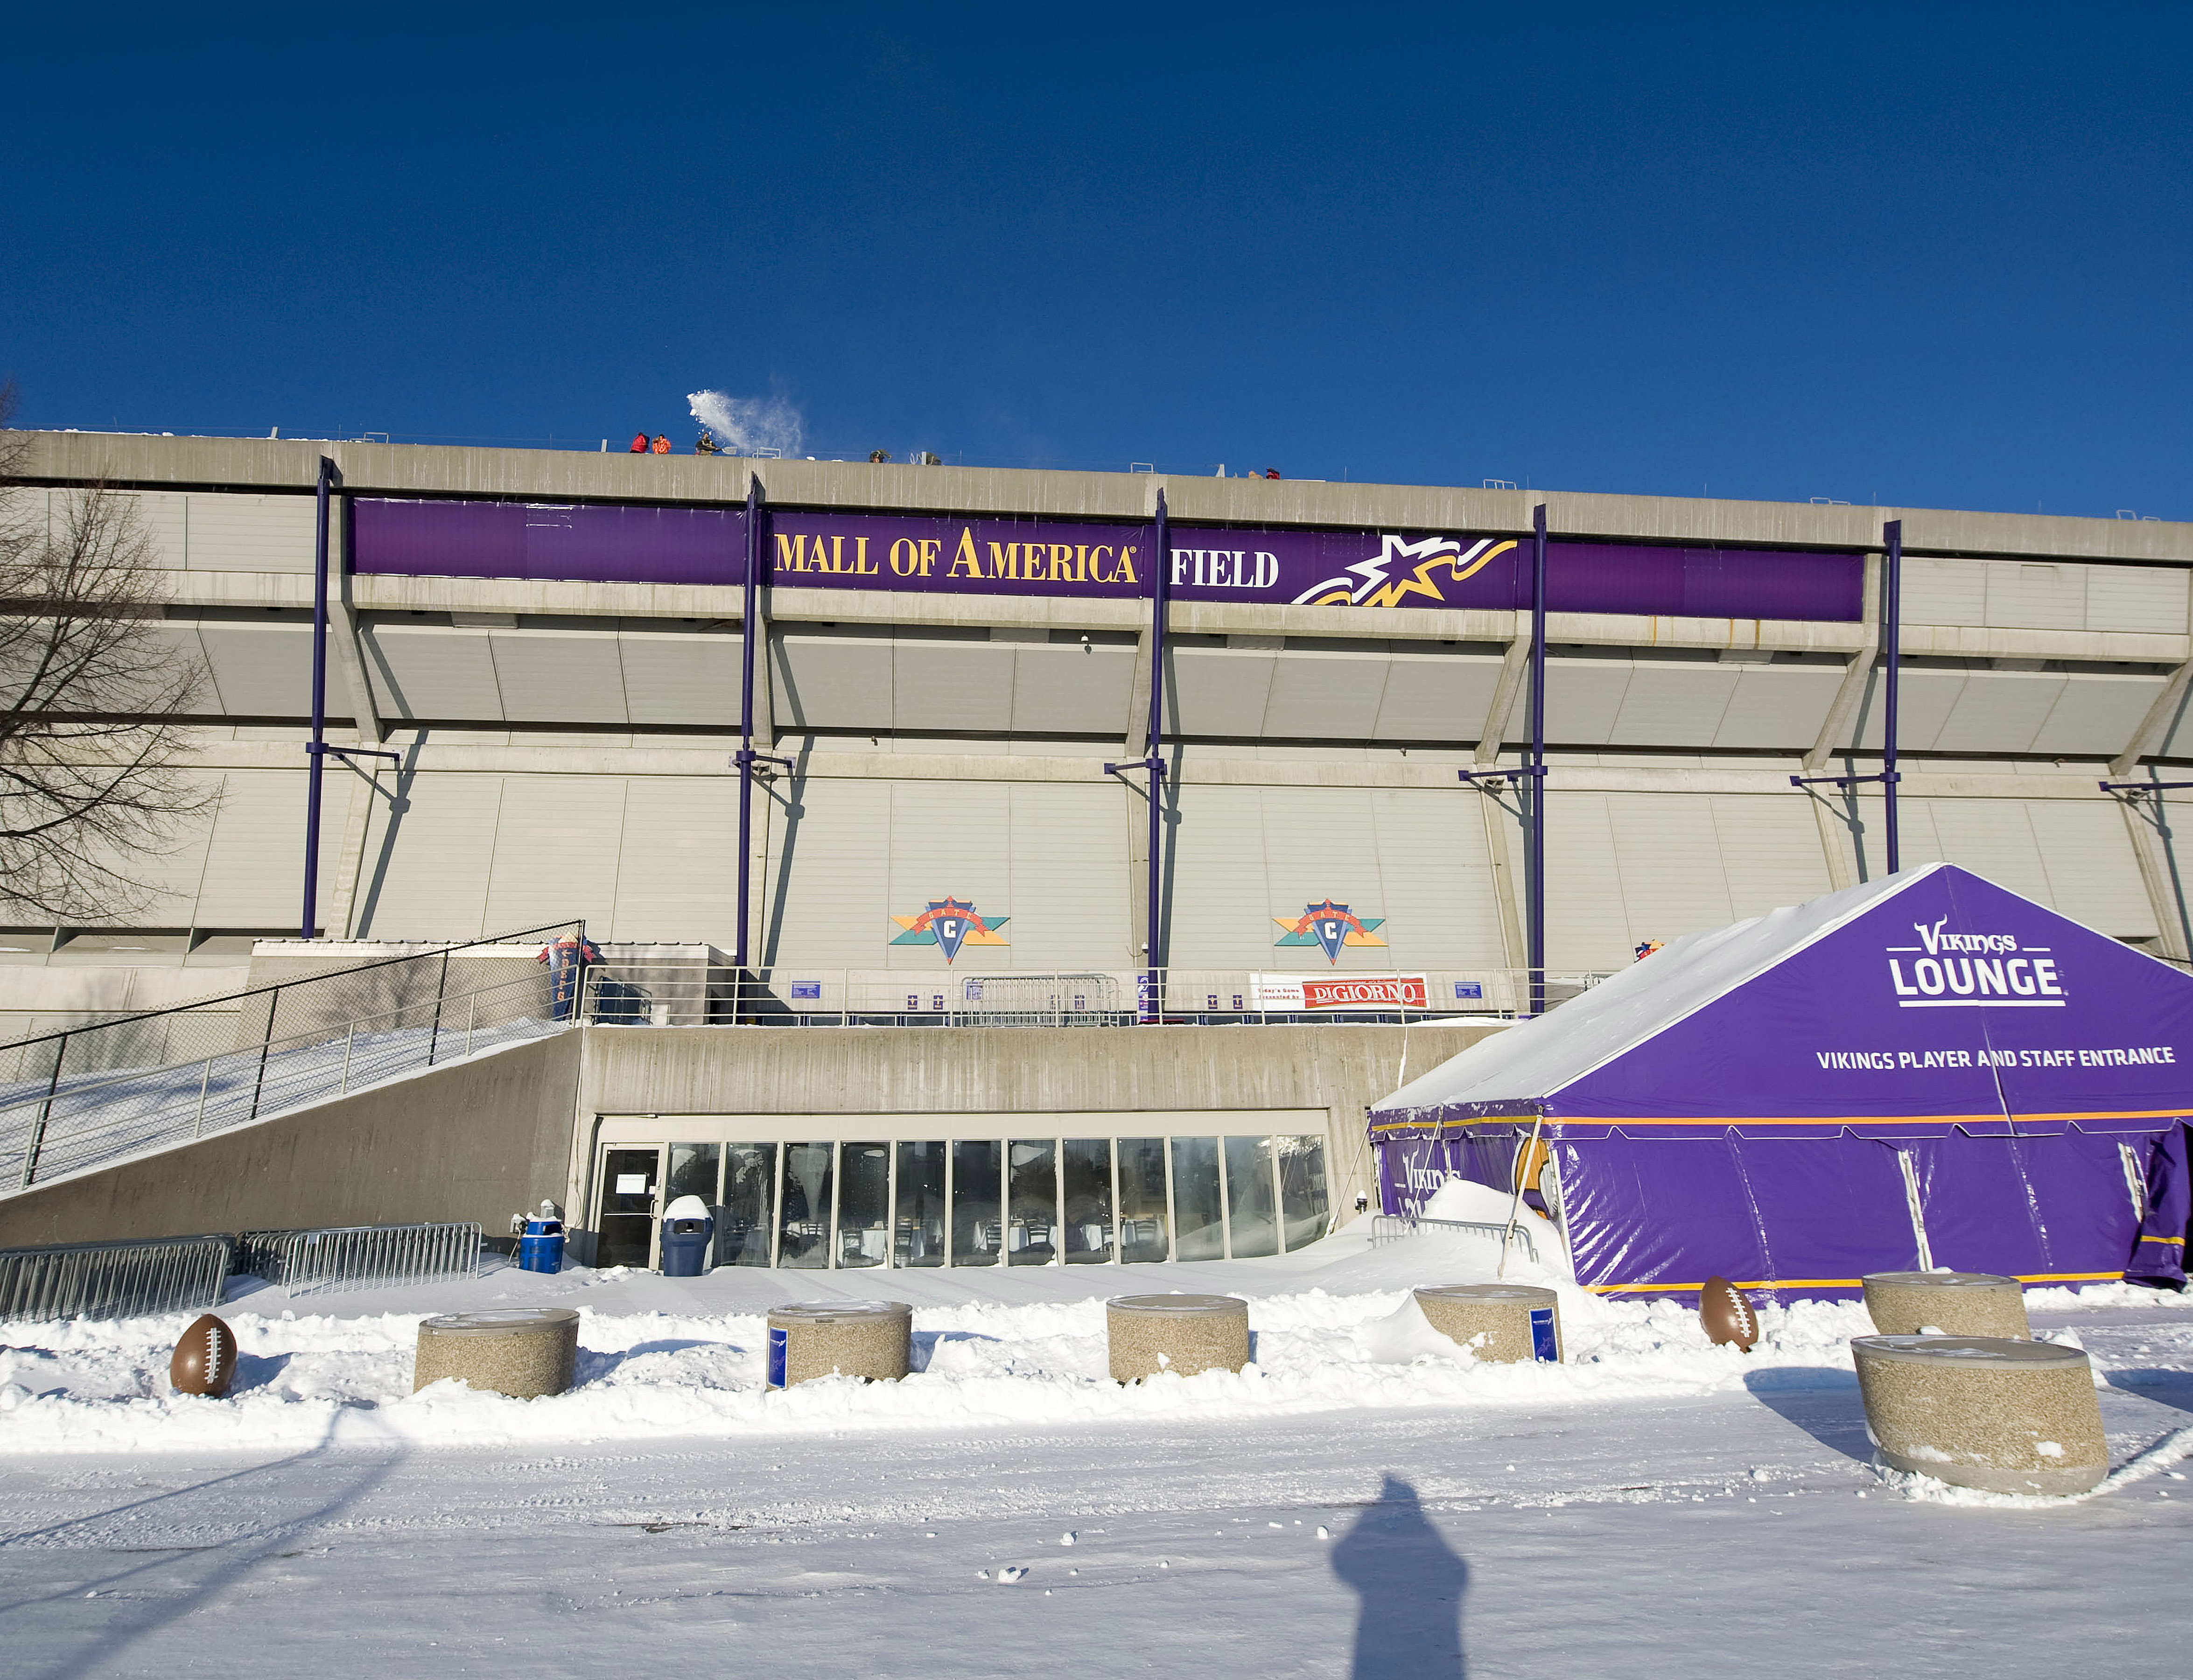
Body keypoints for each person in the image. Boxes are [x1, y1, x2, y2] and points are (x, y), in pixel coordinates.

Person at [538, 932, 603, 1020]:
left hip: (570, 969)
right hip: (563, 970)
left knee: (567, 991)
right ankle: (560, 1017)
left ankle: (562, 1017)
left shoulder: (578, 949)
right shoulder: (555, 950)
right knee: (562, 992)